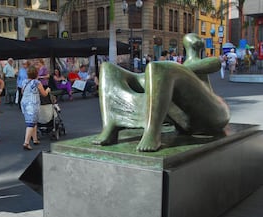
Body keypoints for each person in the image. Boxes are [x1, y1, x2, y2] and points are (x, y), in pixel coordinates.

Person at [94, 33, 230, 152]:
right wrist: (151, 75)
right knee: (109, 69)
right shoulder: (179, 68)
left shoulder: (206, 62)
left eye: (194, 41)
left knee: (161, 69)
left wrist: (155, 73)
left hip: (215, 114)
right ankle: (110, 125)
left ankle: (152, 131)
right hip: (184, 119)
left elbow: (215, 63)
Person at [21, 65, 51, 150]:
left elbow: (22, 91)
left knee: (33, 121)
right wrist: (48, 90)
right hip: (33, 103)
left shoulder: (24, 82)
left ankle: (35, 139)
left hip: (24, 103)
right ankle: (26, 142)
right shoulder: (37, 83)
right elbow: (44, 94)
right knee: (30, 123)